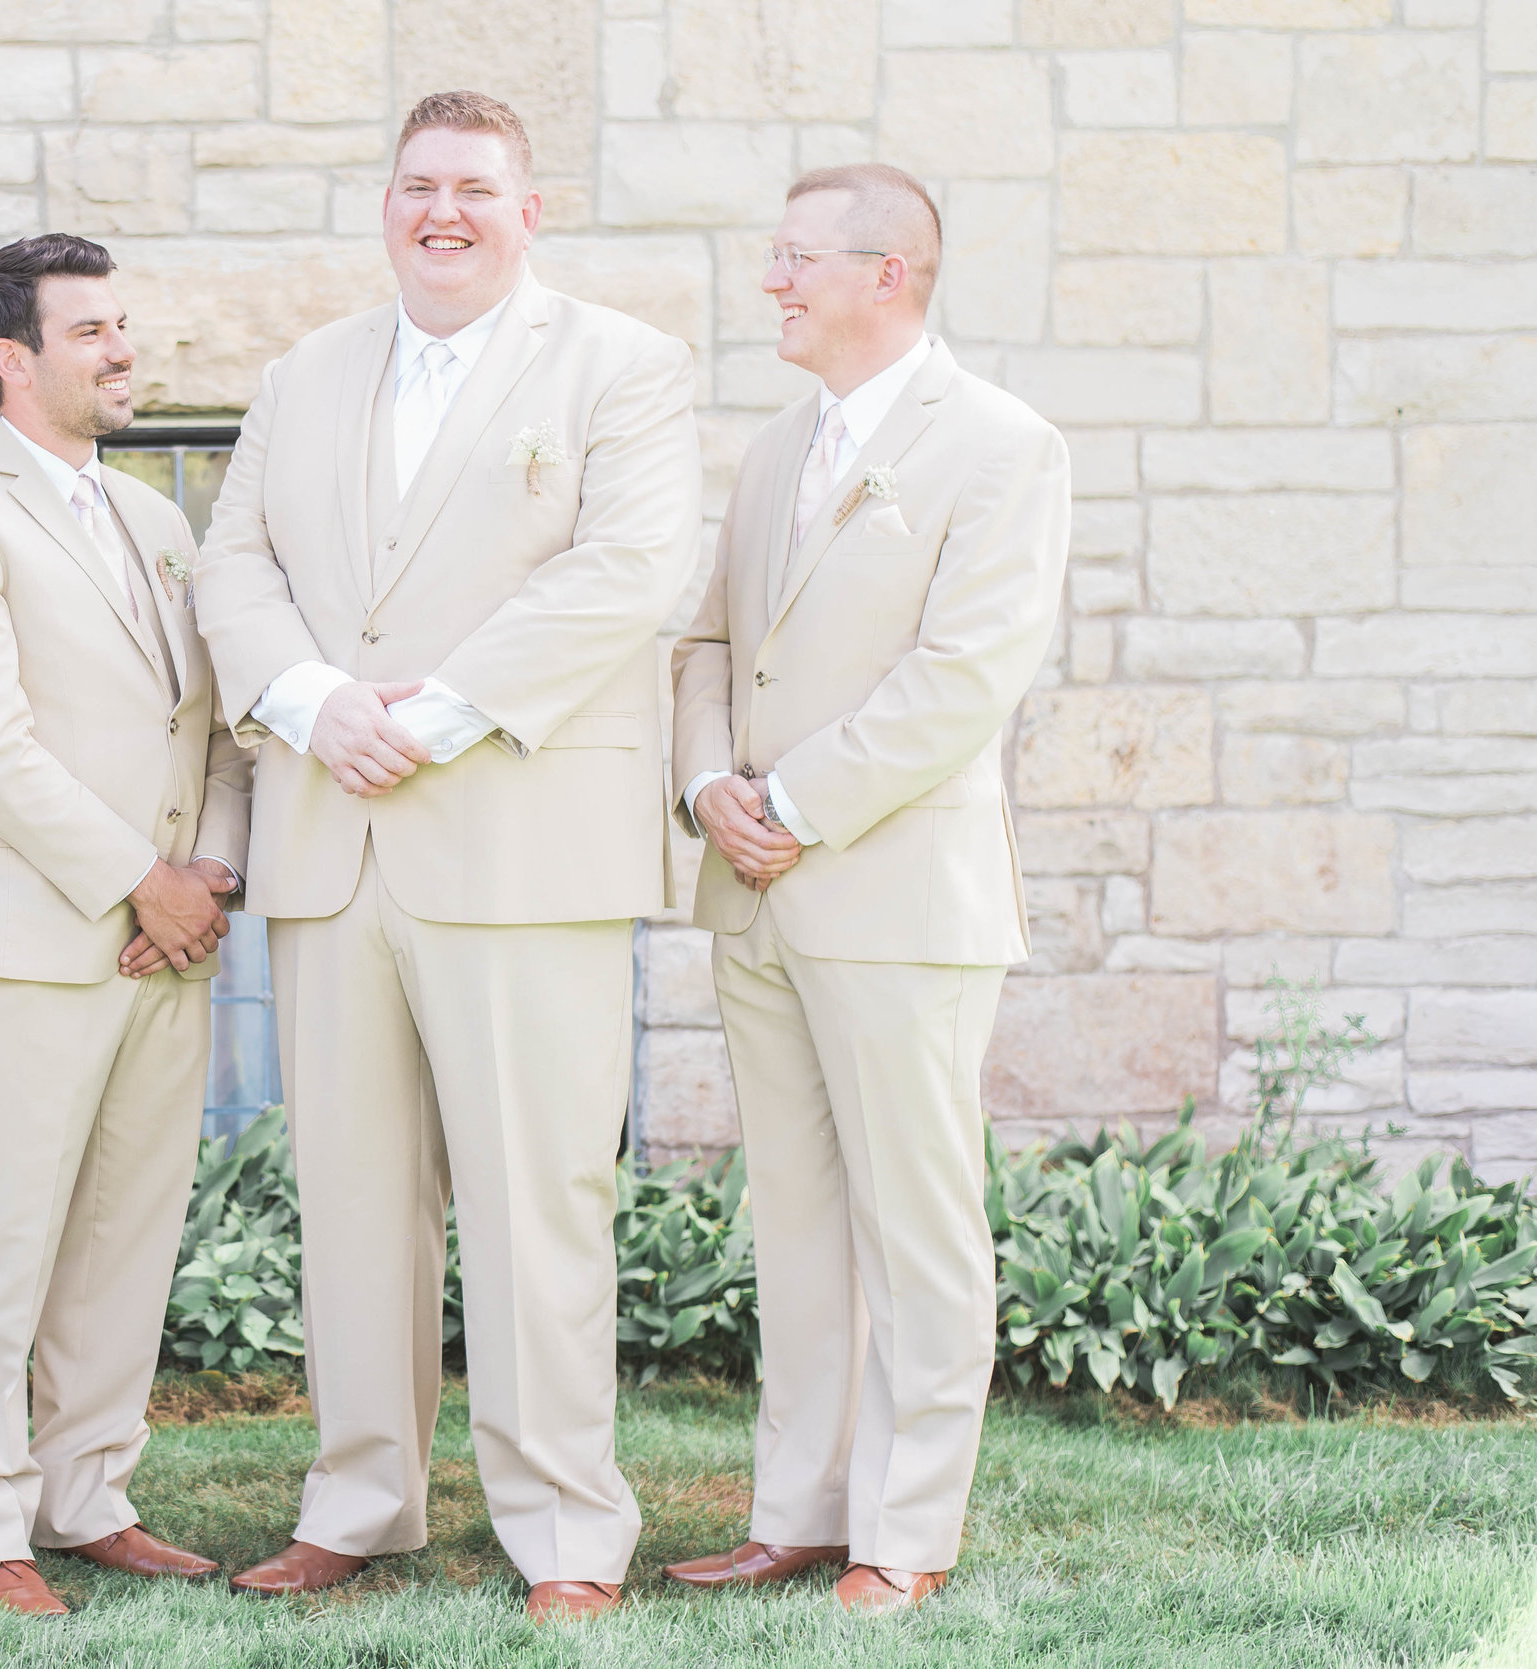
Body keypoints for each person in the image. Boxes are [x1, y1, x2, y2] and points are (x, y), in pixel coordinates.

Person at [190, 91, 703, 1622]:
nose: (445, 212)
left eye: (477, 187)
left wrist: (447, 710)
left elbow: (635, 566)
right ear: (388, 205)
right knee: (352, 1199)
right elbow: (234, 562)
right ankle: (363, 1500)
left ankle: (565, 1533)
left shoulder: (623, 366)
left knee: (541, 1197)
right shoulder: (305, 372)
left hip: (520, 842)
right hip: (332, 843)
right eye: (419, 186)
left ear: (528, 211)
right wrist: (308, 700)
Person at [661, 163, 1070, 1613]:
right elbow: (706, 644)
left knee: (917, 1221)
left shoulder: (1004, 446)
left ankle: (907, 1531)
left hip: (895, 894)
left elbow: (963, 680)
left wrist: (793, 802)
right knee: (799, 1215)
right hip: (758, 893)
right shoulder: (777, 449)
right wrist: (711, 783)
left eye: (793, 259)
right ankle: (801, 1506)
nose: (770, 281)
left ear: (885, 273)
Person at [0, 234, 254, 1617]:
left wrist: (203, 878)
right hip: (31, 937)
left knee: (124, 1234)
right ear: (12, 360)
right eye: (91, 331)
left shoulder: (159, 524)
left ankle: (86, 1490)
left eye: (123, 326)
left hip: (165, 941)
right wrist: (133, 882)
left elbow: (211, 727)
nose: (123, 350)